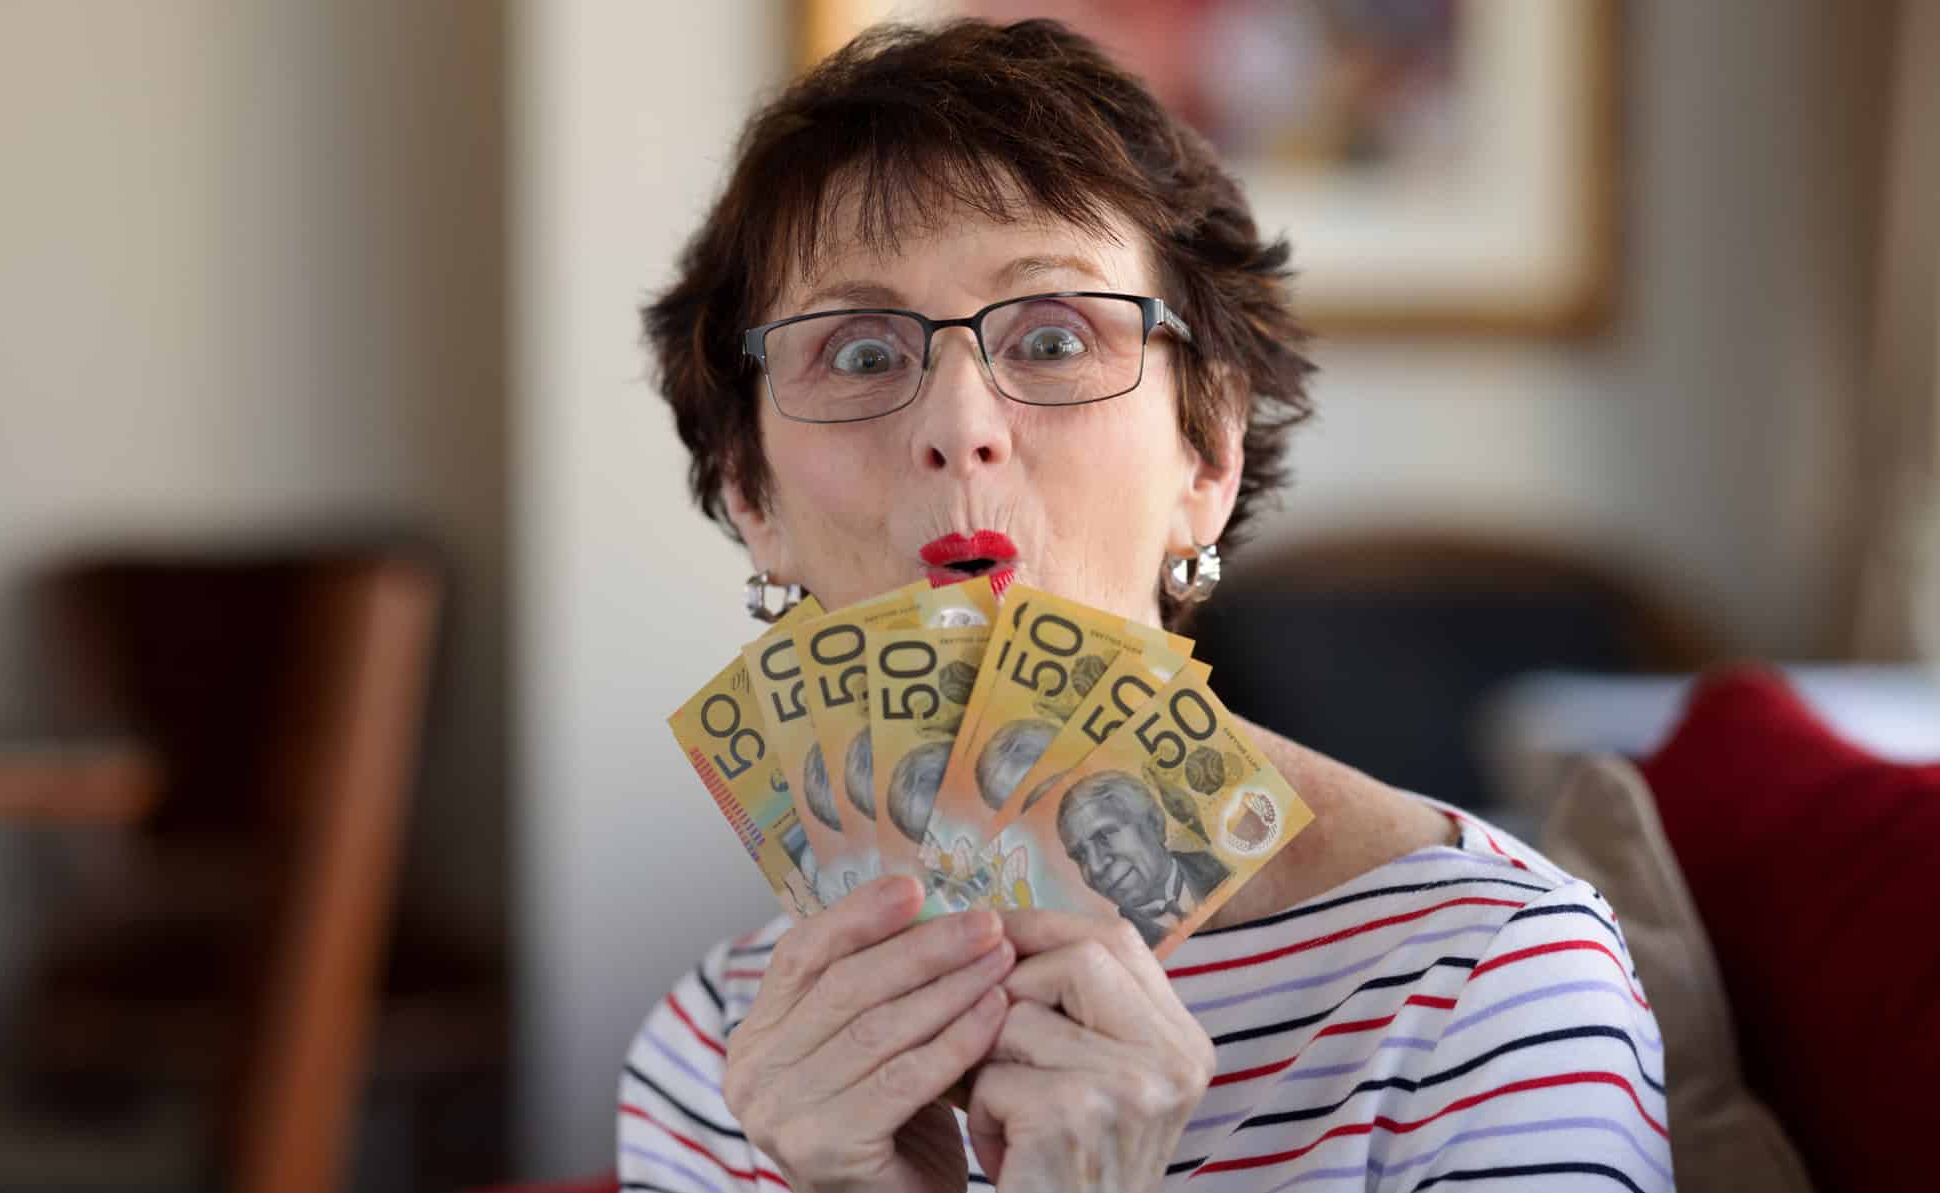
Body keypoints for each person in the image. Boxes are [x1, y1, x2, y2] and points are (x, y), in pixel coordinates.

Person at [619, 19, 1668, 1192]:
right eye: (860, 355)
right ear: (750, 490)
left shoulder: (1491, 976)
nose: (958, 425)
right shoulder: (718, 1049)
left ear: (1205, 452)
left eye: (1051, 336)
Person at [1056, 770, 1229, 948]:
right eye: (1080, 855)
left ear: (1155, 822)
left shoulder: (1224, 868)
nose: (1095, 866)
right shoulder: (1117, 946)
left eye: (1104, 835)